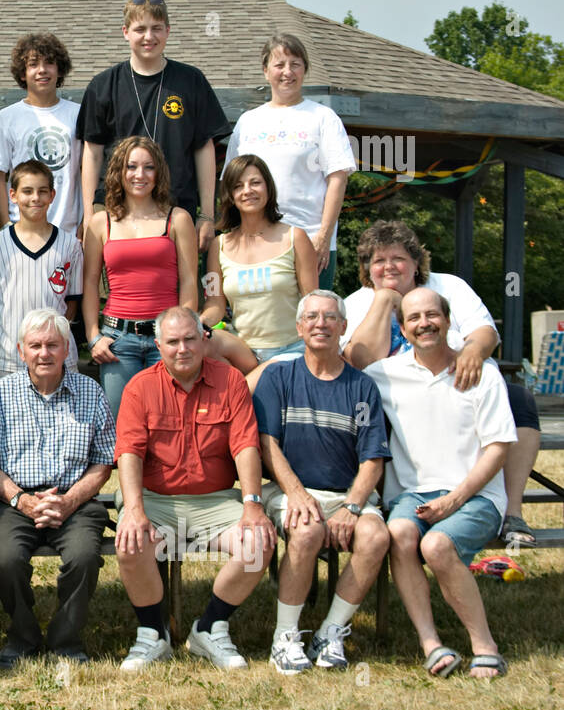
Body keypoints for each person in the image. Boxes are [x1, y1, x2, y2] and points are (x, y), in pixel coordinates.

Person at [342, 220, 542, 547]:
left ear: (417, 262)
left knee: (518, 398)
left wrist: (473, 352)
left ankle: (512, 511)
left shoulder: (449, 286)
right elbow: (363, 362)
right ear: (367, 268)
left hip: (458, 387)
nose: (388, 266)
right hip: (398, 402)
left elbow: (485, 332)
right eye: (378, 260)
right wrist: (382, 301)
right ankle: (385, 504)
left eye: (398, 258)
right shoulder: (356, 302)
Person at [363, 288, 516, 678]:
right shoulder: (385, 375)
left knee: (437, 545)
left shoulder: (482, 373)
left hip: (476, 494)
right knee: (398, 534)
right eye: (413, 318)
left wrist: (455, 499)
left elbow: (498, 449)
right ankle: (431, 643)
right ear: (402, 327)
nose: (424, 323)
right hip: (412, 495)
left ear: (448, 322)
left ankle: (485, 645)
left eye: (432, 315)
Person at [113, 306, 276, 672]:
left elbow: (245, 445)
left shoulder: (232, 382)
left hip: (215, 500)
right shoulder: (140, 387)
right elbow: (129, 452)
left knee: (259, 542)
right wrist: (135, 510)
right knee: (130, 541)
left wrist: (252, 504)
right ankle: (153, 634)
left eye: (190, 339)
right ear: (158, 345)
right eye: (172, 342)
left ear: (205, 340)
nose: (182, 348)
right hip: (155, 498)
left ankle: (210, 627)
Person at [252, 290, 391, 673]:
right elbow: (267, 444)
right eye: (311, 317)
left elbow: (373, 459)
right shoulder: (278, 375)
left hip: (346, 494)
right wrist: (296, 494)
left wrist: (352, 507)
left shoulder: (362, 387)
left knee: (376, 537)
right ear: (299, 327)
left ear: (343, 327)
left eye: (330, 317)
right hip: (288, 491)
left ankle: (330, 632)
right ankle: (285, 637)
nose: (321, 324)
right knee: (308, 531)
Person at [0, 309, 115, 666]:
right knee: (8, 559)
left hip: (75, 500)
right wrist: (21, 500)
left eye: (53, 345)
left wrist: (70, 501)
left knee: (84, 556)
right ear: (20, 350)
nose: (44, 353)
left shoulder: (90, 391)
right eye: (35, 345)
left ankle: (65, 641)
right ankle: (23, 637)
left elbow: (103, 461)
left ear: (67, 348)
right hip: (14, 500)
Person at [76, 0, 227, 248]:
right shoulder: (102, 85)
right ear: (126, 32)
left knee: (179, 286)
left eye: (156, 28)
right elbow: (91, 154)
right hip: (115, 210)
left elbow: (204, 147)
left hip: (177, 210)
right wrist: (90, 216)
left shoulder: (191, 81)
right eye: (140, 29)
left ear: (168, 31)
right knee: (115, 287)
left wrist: (207, 215)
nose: (149, 37)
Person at [224, 34, 355, 286]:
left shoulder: (323, 117)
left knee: (312, 319)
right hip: (257, 241)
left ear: (305, 70)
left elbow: (338, 179)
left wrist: (323, 237)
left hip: (309, 239)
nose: (288, 72)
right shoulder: (248, 121)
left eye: (295, 64)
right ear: (265, 71)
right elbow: (231, 183)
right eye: (279, 64)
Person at [83, 135, 198, 419]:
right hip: (117, 342)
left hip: (167, 341)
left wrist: (182, 336)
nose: (140, 175)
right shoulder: (101, 222)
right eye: (131, 167)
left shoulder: (178, 219)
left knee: (169, 422)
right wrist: (93, 336)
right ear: (119, 172)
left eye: (148, 167)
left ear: (159, 173)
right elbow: (87, 284)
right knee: (123, 428)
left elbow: (190, 283)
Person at [200, 154, 318, 378]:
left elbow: (312, 300)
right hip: (244, 353)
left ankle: (245, 390)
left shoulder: (295, 237)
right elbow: (215, 303)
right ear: (230, 195)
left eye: (255, 182)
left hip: (291, 350)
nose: (248, 191)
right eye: (238, 186)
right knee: (199, 342)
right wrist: (199, 323)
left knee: (253, 390)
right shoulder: (219, 245)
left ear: (268, 187)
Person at [0, 161, 83, 389]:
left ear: (52, 195)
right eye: (27, 191)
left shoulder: (70, 245)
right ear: (13, 195)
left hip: (57, 359)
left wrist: (51, 341)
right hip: (7, 357)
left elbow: (72, 304)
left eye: (42, 191)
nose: (35, 198)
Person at [0, 32, 83, 235]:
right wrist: (5, 224)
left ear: (59, 69)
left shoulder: (78, 114)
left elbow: (88, 171)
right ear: (22, 73)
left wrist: (85, 223)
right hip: (20, 231)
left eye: (49, 63)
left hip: (68, 231)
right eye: (33, 64)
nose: (42, 70)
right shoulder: (7, 117)